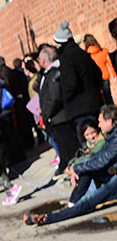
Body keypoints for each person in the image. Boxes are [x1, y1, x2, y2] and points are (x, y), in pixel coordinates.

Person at [25, 104, 117, 225]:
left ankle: (49, 218)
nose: (99, 125)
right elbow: (98, 158)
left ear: (109, 121)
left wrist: (76, 168)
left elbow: (101, 161)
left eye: (100, 122)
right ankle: (70, 205)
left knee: (88, 201)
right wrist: (76, 169)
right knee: (86, 171)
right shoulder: (112, 135)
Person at [53, 21, 105, 143]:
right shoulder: (83, 53)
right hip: (93, 103)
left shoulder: (66, 58)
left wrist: (65, 98)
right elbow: (98, 73)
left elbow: (71, 83)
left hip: (78, 108)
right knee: (99, 140)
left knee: (88, 143)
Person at [37, 44, 80, 175]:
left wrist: (47, 113)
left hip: (59, 116)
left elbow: (54, 96)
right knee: (62, 145)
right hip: (54, 118)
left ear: (44, 60)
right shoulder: (47, 73)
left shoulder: (55, 72)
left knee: (69, 146)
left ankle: (75, 168)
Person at [64, 119, 108, 205]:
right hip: (99, 173)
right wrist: (71, 166)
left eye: (93, 133)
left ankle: (74, 202)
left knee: (86, 169)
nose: (91, 137)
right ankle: (74, 202)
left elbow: (91, 156)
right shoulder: (88, 145)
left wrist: (73, 167)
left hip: (107, 173)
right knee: (84, 170)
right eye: (87, 135)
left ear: (98, 130)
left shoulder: (102, 141)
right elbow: (76, 158)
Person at [82, 34, 115, 105]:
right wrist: (114, 74)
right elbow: (110, 63)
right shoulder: (103, 51)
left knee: (100, 100)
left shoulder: (87, 55)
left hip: (95, 79)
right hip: (105, 76)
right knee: (108, 97)